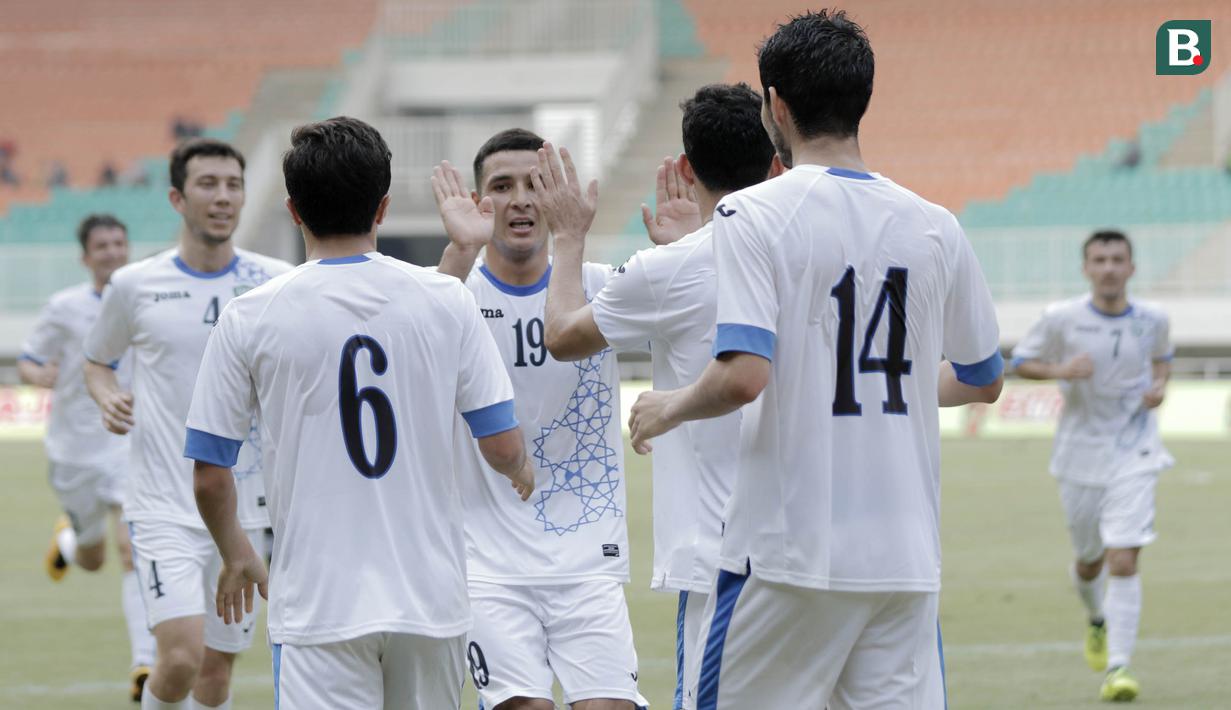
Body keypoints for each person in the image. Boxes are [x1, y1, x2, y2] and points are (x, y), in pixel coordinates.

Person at [627, 10, 1004, 708]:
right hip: (902, 560)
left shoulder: (754, 216)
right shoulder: (934, 225)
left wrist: (665, 407)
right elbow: (983, 379)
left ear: (776, 104)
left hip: (786, 553)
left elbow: (743, 375)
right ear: (862, 98)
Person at [183, 116, 535, 710]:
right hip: (429, 599)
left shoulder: (249, 315)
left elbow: (210, 474)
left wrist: (237, 553)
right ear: (384, 207)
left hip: (320, 604)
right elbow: (500, 446)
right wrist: (519, 467)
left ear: (294, 210)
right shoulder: (447, 297)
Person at [542, 83, 779, 709]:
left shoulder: (668, 270)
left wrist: (568, 239)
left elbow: (563, 336)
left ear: (688, 168)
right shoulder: (804, 246)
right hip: (809, 542)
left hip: (720, 552)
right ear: (775, 158)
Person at [431, 129, 649, 709]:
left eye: (537, 183)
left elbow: (696, 315)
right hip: (487, 566)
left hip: (587, 562)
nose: (521, 199)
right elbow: (412, 338)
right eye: (502, 186)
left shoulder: (601, 288)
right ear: (479, 203)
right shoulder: (452, 294)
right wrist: (461, 251)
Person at [83, 137, 292, 710]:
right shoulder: (134, 285)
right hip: (163, 507)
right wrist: (107, 396)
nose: (223, 197)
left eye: (233, 185)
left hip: (247, 512)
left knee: (216, 677)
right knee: (178, 659)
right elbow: (97, 361)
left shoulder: (277, 281)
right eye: (208, 184)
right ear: (178, 197)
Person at [1012, 229, 1172, 703]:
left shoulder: (1153, 319)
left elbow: (1162, 361)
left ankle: (1119, 668)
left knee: (1124, 556)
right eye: (1099, 259)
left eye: (1117, 259)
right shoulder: (1061, 318)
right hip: (1080, 454)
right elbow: (1022, 361)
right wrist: (1061, 371)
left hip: (1135, 450)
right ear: (1086, 268)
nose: (1108, 267)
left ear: (1131, 268)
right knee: (1090, 561)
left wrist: (1160, 389)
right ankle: (1096, 620)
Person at [18, 213, 157, 702]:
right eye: (103, 245)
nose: (114, 252)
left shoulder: (146, 298)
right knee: (95, 557)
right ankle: (72, 540)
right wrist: (39, 376)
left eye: (120, 242)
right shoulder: (63, 308)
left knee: (130, 551)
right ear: (85, 256)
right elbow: (28, 360)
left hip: (125, 440)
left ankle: (144, 664)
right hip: (74, 450)